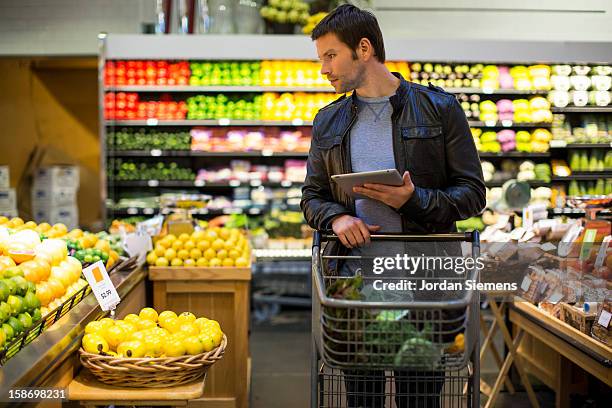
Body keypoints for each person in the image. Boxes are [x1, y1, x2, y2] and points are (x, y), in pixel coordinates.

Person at [301, 4, 486, 408]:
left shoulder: (439, 109)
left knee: (419, 398)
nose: (324, 69)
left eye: (330, 56)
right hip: (354, 290)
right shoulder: (328, 122)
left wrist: (413, 200)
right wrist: (338, 217)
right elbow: (311, 198)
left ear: (363, 48)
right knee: (360, 399)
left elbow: (473, 194)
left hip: (424, 289)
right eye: (321, 59)